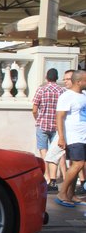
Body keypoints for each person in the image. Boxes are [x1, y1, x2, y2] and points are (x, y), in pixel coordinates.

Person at [55, 69, 86, 207]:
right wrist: (62, 137)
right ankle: (62, 193)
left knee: (77, 166)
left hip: (84, 136)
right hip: (74, 137)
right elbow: (60, 117)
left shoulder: (84, 95)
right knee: (78, 164)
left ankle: (71, 194)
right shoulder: (67, 96)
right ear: (79, 82)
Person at [32, 68, 64, 191]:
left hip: (42, 124)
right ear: (57, 77)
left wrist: (38, 119)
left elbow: (34, 109)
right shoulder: (62, 91)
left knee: (43, 150)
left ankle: (46, 175)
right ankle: (53, 178)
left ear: (47, 77)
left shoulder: (42, 90)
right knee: (55, 153)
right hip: (57, 125)